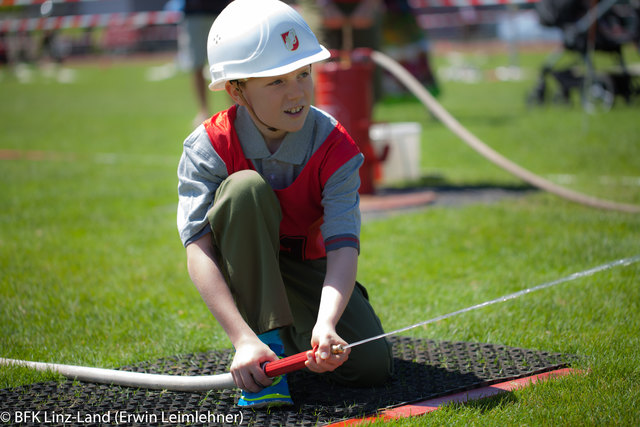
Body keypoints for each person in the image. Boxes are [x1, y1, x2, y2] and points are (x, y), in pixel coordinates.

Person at [177, 0, 393, 408]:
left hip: (307, 268)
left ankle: (296, 335)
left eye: (303, 73)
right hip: (243, 269)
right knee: (243, 189)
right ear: (236, 89)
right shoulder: (209, 146)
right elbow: (198, 249)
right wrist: (242, 339)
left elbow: (343, 244)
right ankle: (264, 345)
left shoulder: (335, 146)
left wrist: (327, 324)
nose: (296, 92)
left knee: (369, 365)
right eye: (276, 81)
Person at [177, 0, 231, 127]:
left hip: (221, 12)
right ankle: (203, 112)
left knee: (228, 65)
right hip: (195, 13)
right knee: (196, 64)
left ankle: (235, 110)